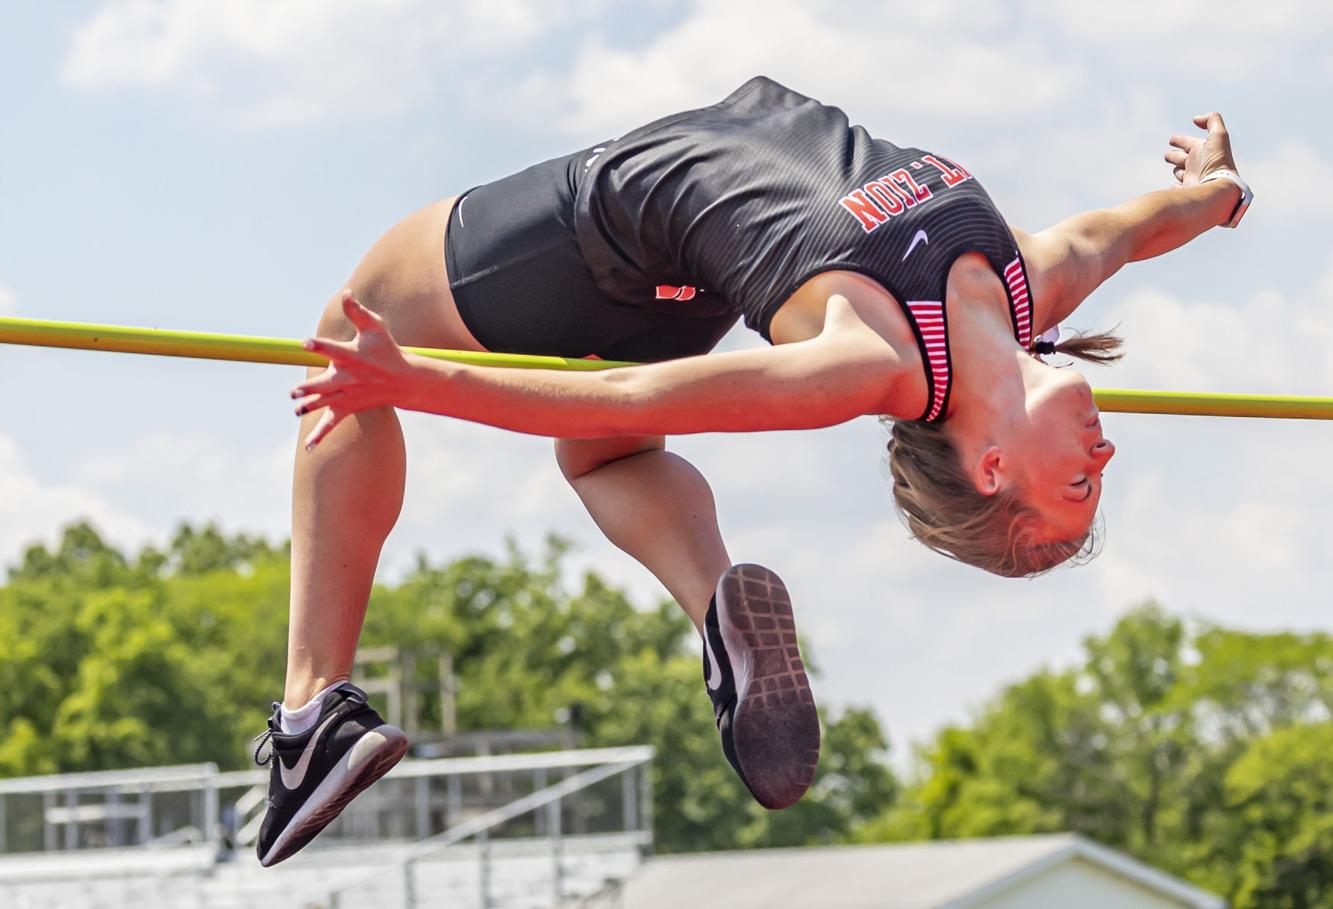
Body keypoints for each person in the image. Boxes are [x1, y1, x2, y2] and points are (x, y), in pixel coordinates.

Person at [250, 76, 1251, 866]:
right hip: (688, 270)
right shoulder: (1024, 287)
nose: (1106, 454)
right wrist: (1220, 191)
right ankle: (713, 607)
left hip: (598, 238)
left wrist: (414, 378)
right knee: (604, 462)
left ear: (991, 468)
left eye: (1079, 486)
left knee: (352, 331)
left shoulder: (873, 363)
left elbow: (637, 399)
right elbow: (1130, 228)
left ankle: (309, 715)